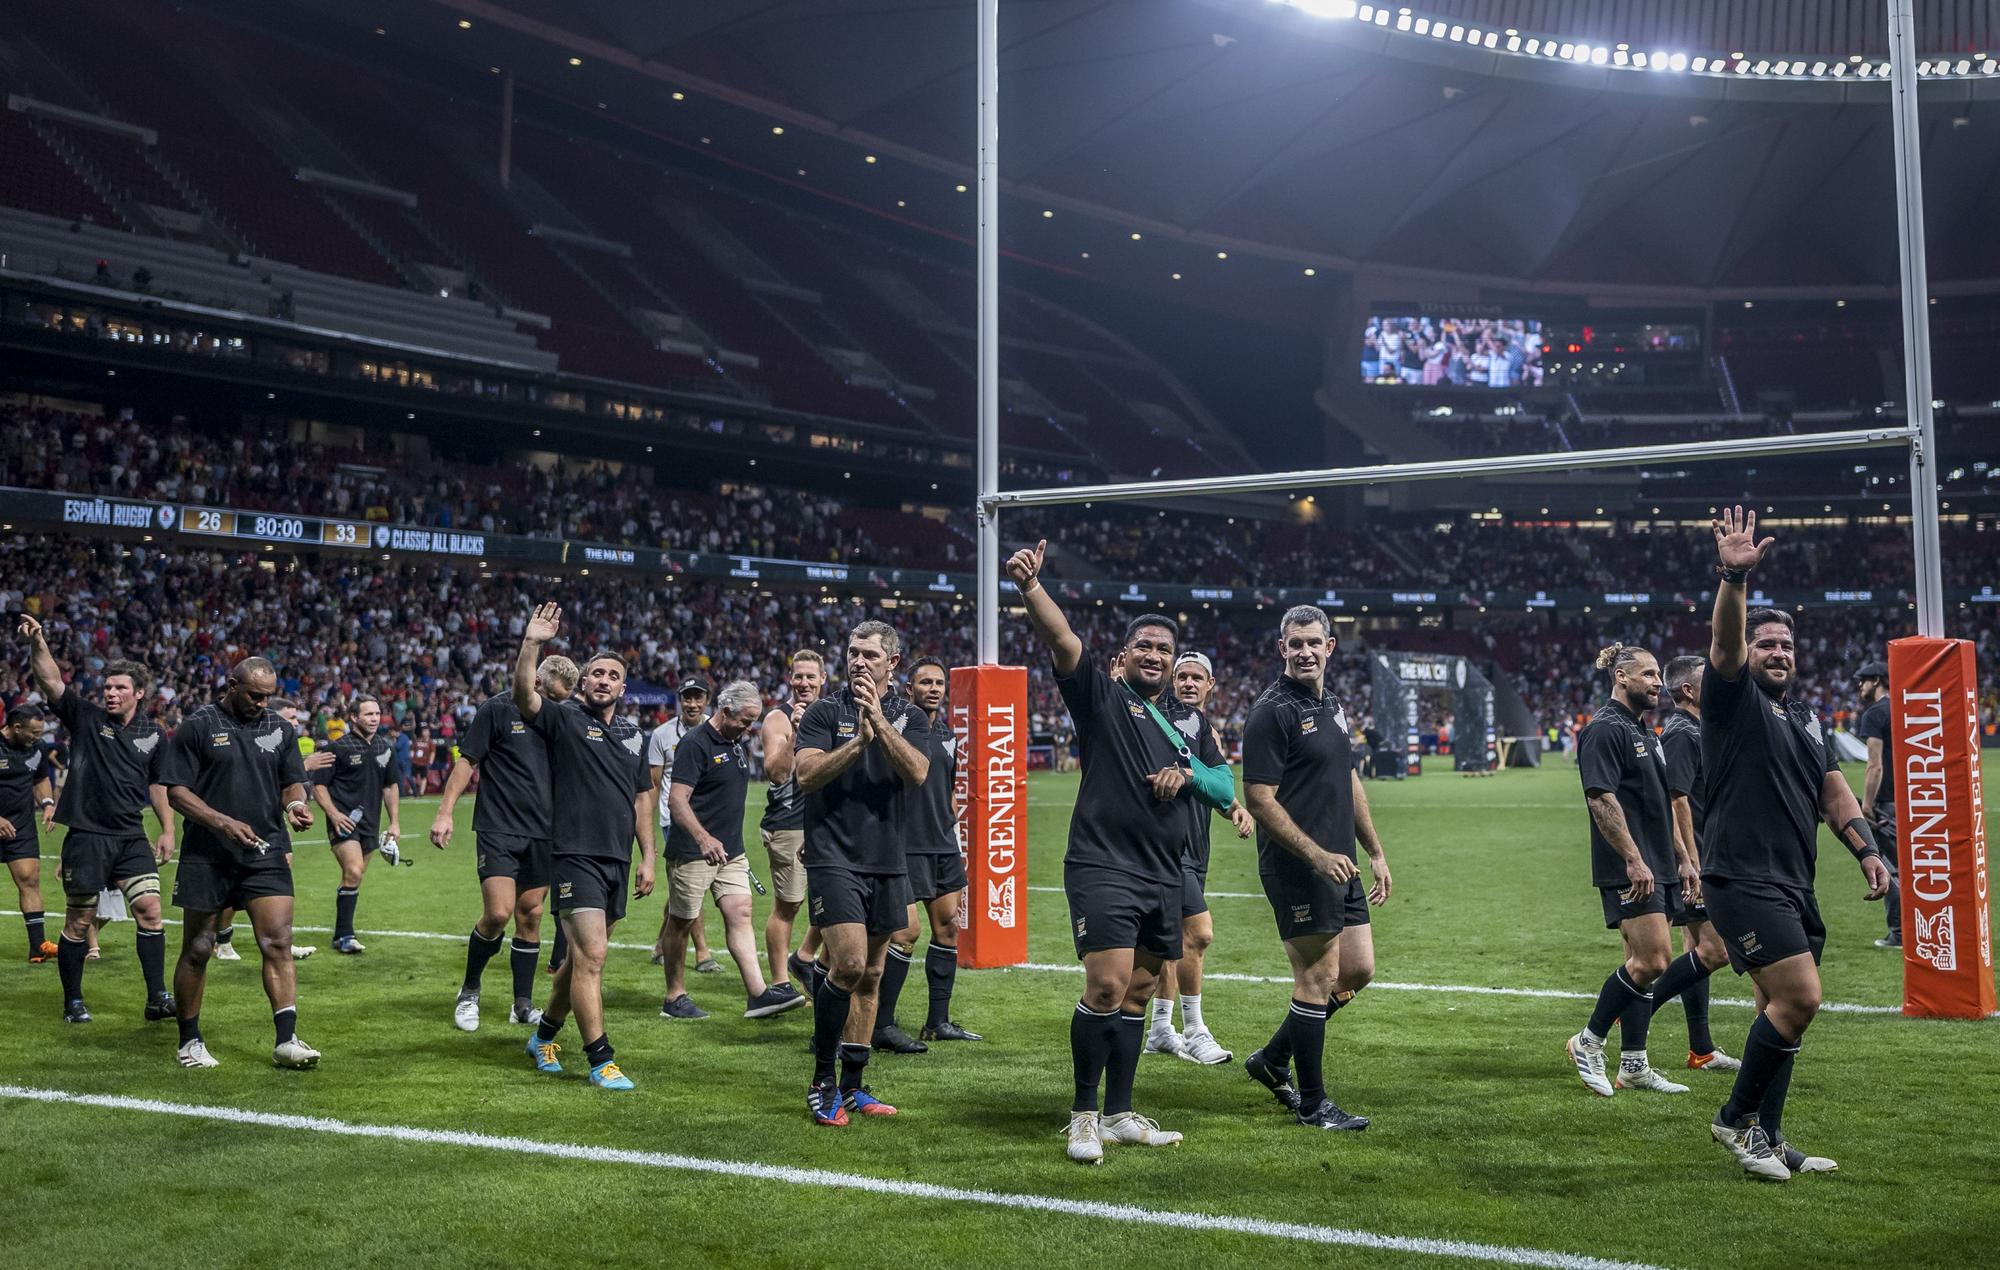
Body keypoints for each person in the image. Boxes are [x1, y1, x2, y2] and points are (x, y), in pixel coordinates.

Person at [1008, 539, 1228, 1163]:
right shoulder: (1103, 699)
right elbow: (1063, 641)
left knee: (1136, 993)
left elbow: (1222, 784)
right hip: (1103, 866)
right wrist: (1031, 588)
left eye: (1164, 648)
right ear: (1123, 657)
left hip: (1164, 873)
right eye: (1145, 647)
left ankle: (1121, 1113)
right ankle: (1082, 1116)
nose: (1155, 656)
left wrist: (1188, 778)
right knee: (1104, 986)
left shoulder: (1182, 727)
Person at [1700, 508, 1891, 1180]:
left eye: (1786, 646)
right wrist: (1733, 578)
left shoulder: (1806, 716)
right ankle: (1733, 1121)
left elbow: (1833, 792)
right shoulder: (1731, 699)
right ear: (1751, 653)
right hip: (1741, 878)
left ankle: (1770, 1138)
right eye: (1767, 644)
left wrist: (1867, 849)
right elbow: (1723, 646)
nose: (1777, 652)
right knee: (1800, 998)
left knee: (1777, 1011)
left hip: (1793, 882)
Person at [1241, 605, 1392, 1131]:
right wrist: (1316, 855)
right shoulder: (1271, 711)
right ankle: (1313, 1104)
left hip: (1340, 861)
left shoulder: (1332, 703)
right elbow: (1258, 798)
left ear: (1330, 646)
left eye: (1314, 642)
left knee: (1357, 970)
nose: (1304, 651)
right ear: (1281, 647)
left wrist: (1373, 850)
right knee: (1317, 976)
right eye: (1294, 643)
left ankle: (1272, 1058)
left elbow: (1348, 779)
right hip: (1300, 864)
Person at [795, 619, 932, 1126]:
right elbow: (805, 775)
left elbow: (917, 771)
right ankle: (822, 1080)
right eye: (853, 652)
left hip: (888, 859)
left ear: (892, 663)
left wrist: (879, 722)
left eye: (869, 655)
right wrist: (857, 742)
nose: (857, 661)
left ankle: (854, 1085)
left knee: (872, 975)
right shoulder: (824, 712)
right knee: (848, 964)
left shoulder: (911, 716)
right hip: (833, 855)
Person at [516, 604, 656, 1092]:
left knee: (579, 961)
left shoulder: (634, 735)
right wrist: (532, 643)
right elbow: (525, 699)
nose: (602, 679)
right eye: (595, 672)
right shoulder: (565, 720)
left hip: (618, 859)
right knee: (592, 955)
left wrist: (649, 857)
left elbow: (643, 799)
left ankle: (544, 1036)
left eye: (612, 675)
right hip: (575, 854)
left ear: (623, 688)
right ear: (584, 682)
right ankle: (601, 1059)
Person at [159, 656, 320, 1069]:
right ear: (231, 684)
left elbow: (290, 781)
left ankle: (287, 1041)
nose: (263, 703)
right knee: (198, 948)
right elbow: (175, 791)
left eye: (268, 697)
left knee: (278, 941)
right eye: (254, 695)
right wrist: (222, 822)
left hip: (263, 851)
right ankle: (189, 1041)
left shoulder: (280, 728)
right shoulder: (198, 725)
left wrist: (297, 804)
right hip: (208, 854)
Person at [19, 615, 175, 1024]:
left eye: (120, 687)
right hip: (88, 837)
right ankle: (73, 1001)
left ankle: (157, 996)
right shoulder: (86, 718)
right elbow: (52, 682)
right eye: (107, 686)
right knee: (79, 921)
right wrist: (39, 643)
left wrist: (168, 830)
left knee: (151, 911)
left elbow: (159, 786)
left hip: (130, 836)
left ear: (139, 693)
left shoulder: (154, 734)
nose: (110, 693)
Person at [1561, 644, 1692, 1098]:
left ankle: (1634, 1064)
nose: (1659, 683)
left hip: (1659, 863)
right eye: (1650, 674)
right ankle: (1589, 1041)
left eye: (1659, 676)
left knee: (1643, 965)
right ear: (1621, 677)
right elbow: (1600, 798)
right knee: (1654, 959)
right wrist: (1633, 859)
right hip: (1630, 867)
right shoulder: (1603, 729)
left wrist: (1682, 856)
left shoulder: (1647, 732)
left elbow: (1662, 804)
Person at [434, 655, 579, 1031]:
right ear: (536, 682)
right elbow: (467, 762)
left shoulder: (562, 718)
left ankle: (522, 1004)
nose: (555, 705)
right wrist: (445, 812)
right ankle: (469, 991)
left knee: (530, 915)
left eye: (563, 700)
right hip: (498, 827)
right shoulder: (497, 709)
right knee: (498, 913)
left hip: (544, 832)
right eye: (552, 696)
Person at [659, 680, 802, 1021]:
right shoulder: (695, 744)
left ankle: (758, 995)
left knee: (740, 913)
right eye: (744, 720)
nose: (749, 727)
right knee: (681, 922)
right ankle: (674, 996)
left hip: (731, 853)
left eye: (753, 720)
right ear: (724, 712)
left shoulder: (735, 740)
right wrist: (703, 839)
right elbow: (676, 801)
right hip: (693, 851)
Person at [1145, 651, 1253, 1064]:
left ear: (1211, 686)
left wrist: (1234, 809)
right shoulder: (1155, 713)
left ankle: (1159, 1029)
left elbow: (1215, 784)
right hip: (1166, 847)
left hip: (1196, 846)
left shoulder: (1203, 727)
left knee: (1172, 941)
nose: (1188, 683)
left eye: (1197, 678)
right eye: (1182, 676)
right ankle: (1194, 1029)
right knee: (1199, 933)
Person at [873, 655, 982, 1052]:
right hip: (903, 844)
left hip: (942, 844)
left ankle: (937, 1022)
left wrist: (950, 819)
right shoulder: (896, 727)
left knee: (948, 928)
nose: (934, 689)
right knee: (904, 933)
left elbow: (949, 788)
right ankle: (880, 1024)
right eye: (925, 683)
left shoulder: (950, 736)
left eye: (939, 683)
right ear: (909, 688)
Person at [1645, 655, 1739, 1073]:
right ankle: (1629, 1010)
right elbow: (1675, 797)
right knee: (1716, 950)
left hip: (1710, 853)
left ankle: (1700, 1050)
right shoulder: (1682, 733)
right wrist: (1691, 860)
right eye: (1708, 680)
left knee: (1695, 949)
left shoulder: (1701, 728)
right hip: (1696, 859)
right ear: (1688, 689)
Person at [313, 696, 401, 955]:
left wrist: (394, 822)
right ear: (354, 717)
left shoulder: (385, 748)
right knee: (353, 871)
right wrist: (334, 814)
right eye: (368, 714)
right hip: (343, 822)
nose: (374, 719)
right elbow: (319, 786)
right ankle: (346, 936)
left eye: (377, 714)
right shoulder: (337, 748)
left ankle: (341, 935)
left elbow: (390, 786)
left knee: (356, 876)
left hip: (370, 823)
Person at [761, 650, 824, 1003]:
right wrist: (798, 731)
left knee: (835, 897)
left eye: (810, 677)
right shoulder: (777, 719)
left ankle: (803, 958)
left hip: (824, 821)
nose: (803, 683)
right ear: (790, 679)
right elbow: (777, 773)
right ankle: (781, 982)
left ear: (822, 679)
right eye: (798, 676)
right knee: (789, 905)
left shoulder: (830, 711)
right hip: (788, 824)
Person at [648, 679, 719, 974]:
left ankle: (660, 944)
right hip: (674, 820)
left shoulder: (718, 730)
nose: (691, 704)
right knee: (694, 886)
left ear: (707, 700)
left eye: (697, 698)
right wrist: (647, 833)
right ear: (679, 700)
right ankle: (702, 953)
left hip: (711, 820)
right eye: (686, 698)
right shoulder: (662, 735)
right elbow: (654, 784)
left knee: (684, 888)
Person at [1853, 661, 1904, 949]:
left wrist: (1867, 806)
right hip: (1911, 800)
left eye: (1862, 681)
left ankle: (1898, 933)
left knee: (1889, 870)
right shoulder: (1904, 708)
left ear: (1876, 680)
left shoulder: (1875, 714)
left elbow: (1874, 766)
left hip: (1886, 803)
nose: (1860, 687)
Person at [0, 705, 57, 962]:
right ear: (16, 727)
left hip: (20, 826)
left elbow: (40, 779)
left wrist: (46, 803)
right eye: (33, 732)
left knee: (30, 880)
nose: (37, 737)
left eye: (40, 732)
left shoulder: (38, 748)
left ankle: (38, 947)